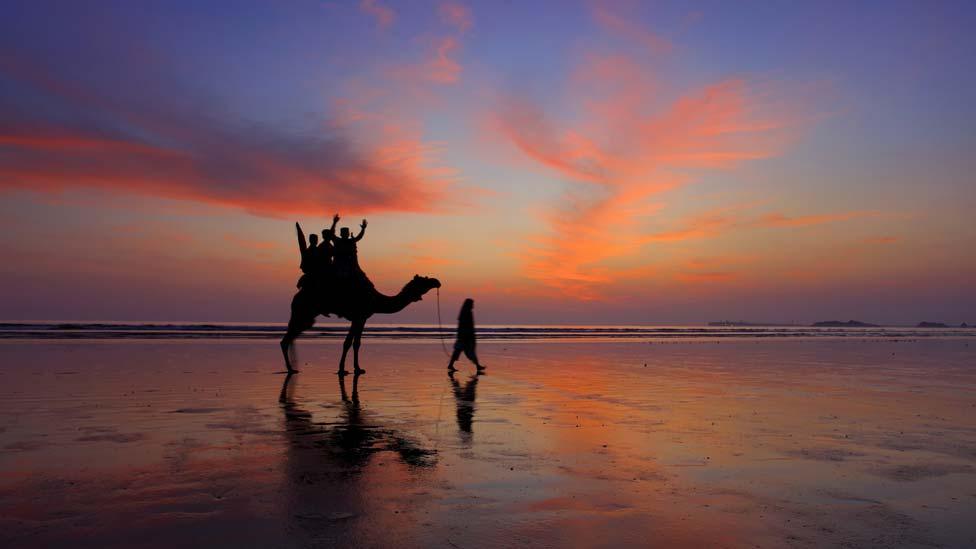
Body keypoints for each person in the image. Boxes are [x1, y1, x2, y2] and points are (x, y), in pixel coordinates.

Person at [448, 298, 485, 373]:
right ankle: (477, 366)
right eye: (472, 304)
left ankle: (477, 366)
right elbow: (466, 325)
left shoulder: (465, 311)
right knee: (468, 351)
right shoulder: (466, 312)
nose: (473, 305)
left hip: (463, 335)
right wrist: (467, 335)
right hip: (465, 336)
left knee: (458, 351)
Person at [331, 218, 370, 286]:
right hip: (339, 265)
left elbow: (359, 237)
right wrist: (334, 223)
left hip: (350, 266)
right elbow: (332, 234)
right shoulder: (338, 241)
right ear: (341, 234)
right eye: (345, 233)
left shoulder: (350, 241)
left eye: (347, 233)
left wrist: (363, 229)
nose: (346, 234)